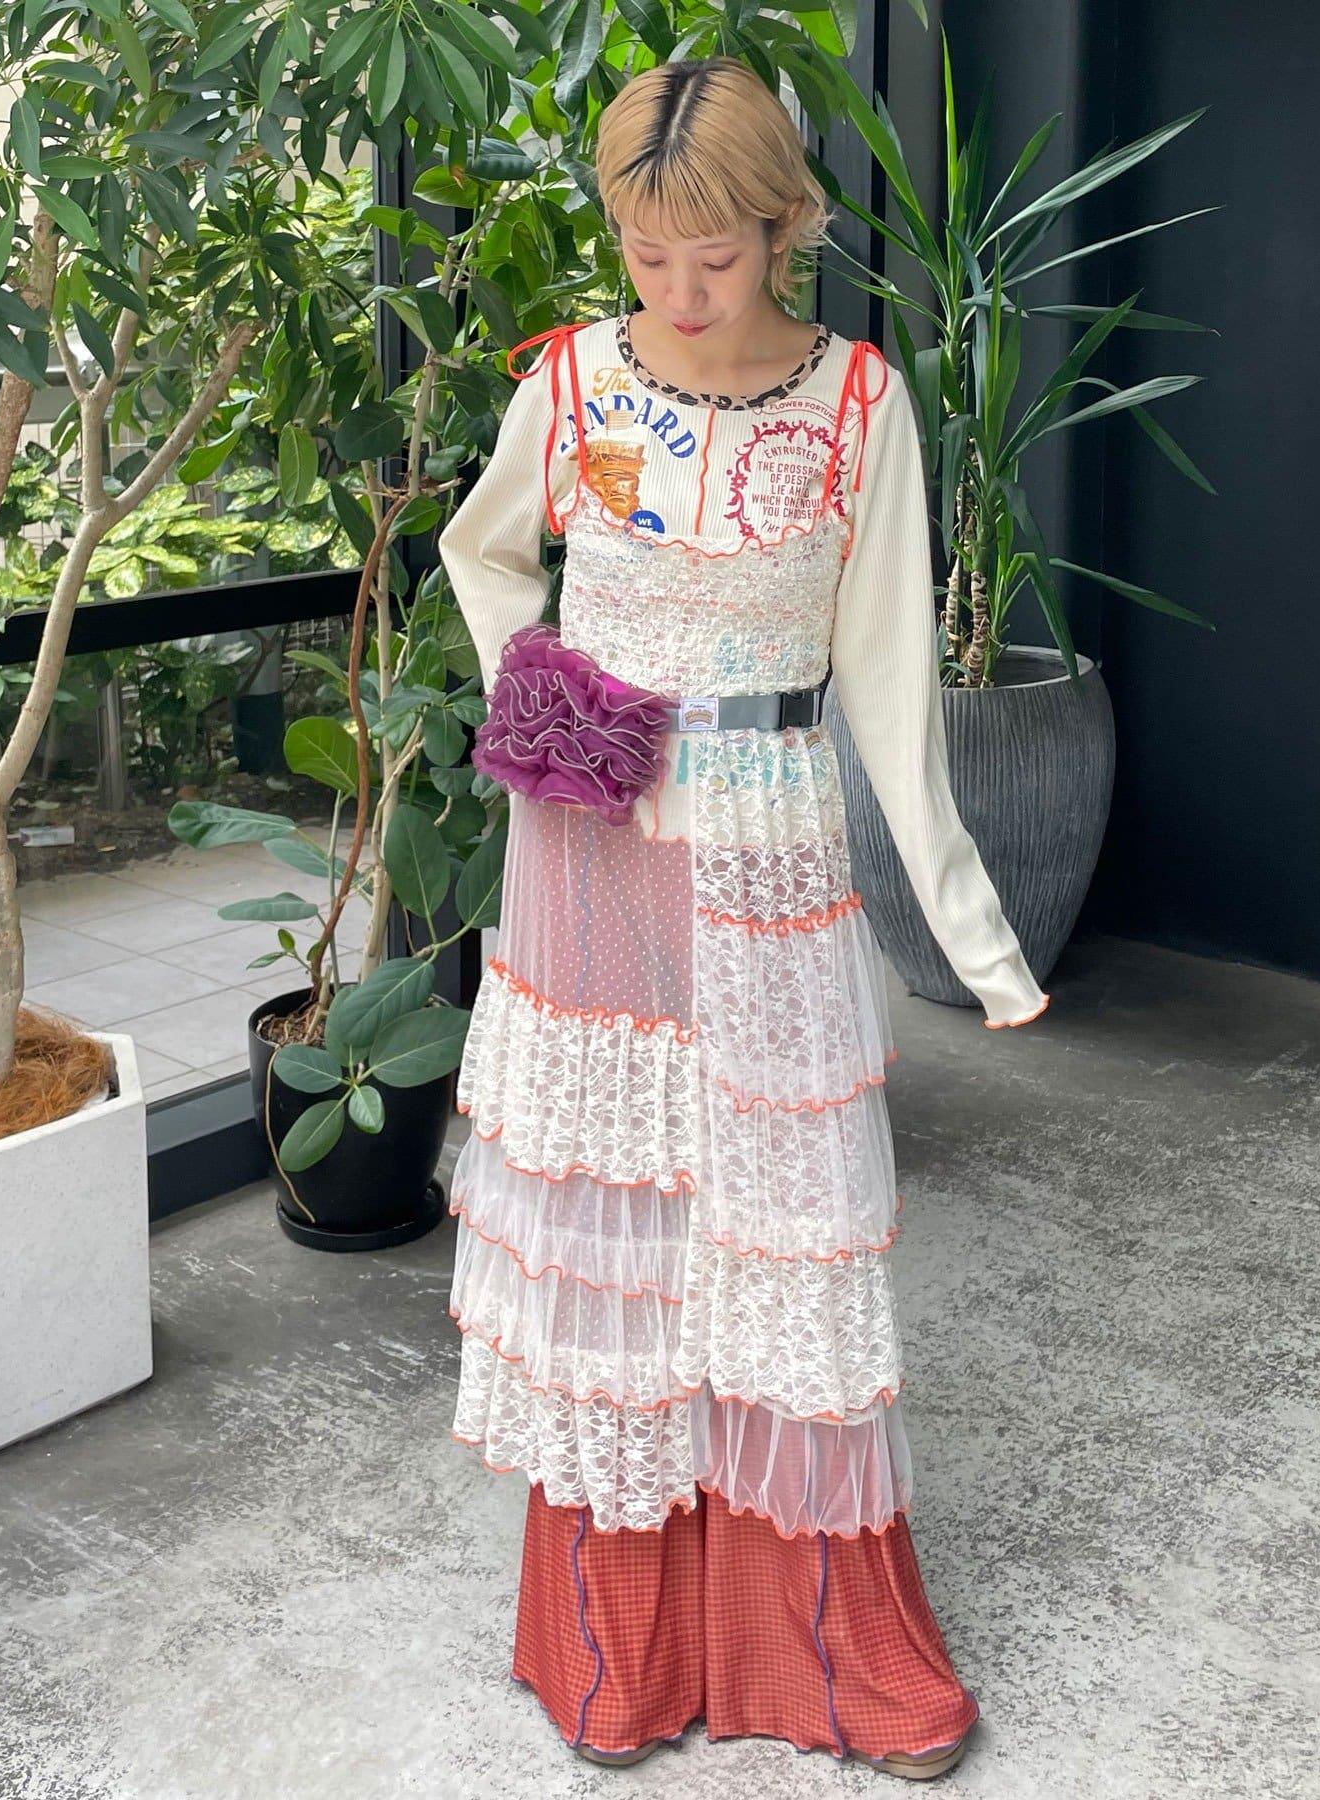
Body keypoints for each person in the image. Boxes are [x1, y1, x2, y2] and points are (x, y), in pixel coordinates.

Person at [437, 54, 1050, 1783]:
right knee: (620, 1218)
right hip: (595, 840)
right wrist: (544, 696)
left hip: (773, 837)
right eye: (646, 254)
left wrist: (974, 934)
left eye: (713, 255)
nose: (680, 290)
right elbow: (486, 554)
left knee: (782, 1221)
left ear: (786, 225)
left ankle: (820, 1646)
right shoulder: (572, 380)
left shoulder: (859, 404)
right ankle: (616, 1645)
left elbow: (891, 685)